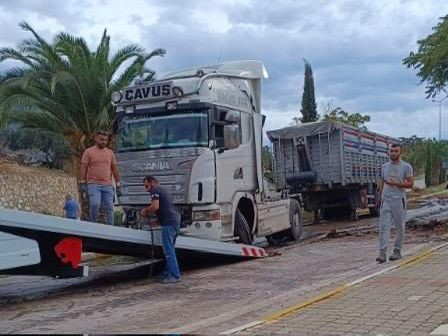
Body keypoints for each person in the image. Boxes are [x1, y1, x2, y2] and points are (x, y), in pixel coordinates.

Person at [375, 143, 414, 263]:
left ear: (400, 153)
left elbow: (410, 184)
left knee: (399, 227)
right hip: (386, 200)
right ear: (388, 152)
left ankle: (397, 251)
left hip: (398, 199)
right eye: (391, 151)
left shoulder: (406, 166)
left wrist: (396, 184)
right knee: (384, 227)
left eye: (396, 151)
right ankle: (382, 253)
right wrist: (379, 197)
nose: (393, 153)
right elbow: (382, 182)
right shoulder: (384, 166)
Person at [140, 175, 181, 284]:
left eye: (147, 186)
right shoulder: (164, 191)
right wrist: (152, 224)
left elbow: (155, 207)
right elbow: (165, 213)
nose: (147, 189)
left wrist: (145, 211)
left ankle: (175, 275)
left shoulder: (155, 190)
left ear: (152, 182)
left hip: (169, 226)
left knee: (169, 252)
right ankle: (167, 273)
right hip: (175, 224)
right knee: (170, 250)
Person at [79, 130, 122, 225]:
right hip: (93, 184)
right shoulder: (88, 152)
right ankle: (93, 225)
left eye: (105, 140)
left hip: (107, 185)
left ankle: (110, 227)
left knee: (110, 207)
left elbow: (114, 169)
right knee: (95, 204)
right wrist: (81, 183)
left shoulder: (110, 153)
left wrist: (118, 185)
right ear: (96, 138)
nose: (104, 142)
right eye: (101, 139)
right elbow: (83, 167)